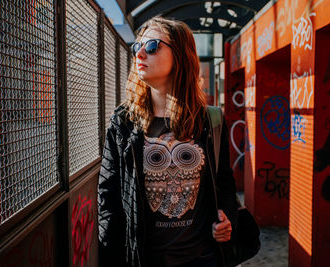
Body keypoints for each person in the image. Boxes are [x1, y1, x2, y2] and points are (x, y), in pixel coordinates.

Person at [98, 16, 238, 267]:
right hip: (144, 259)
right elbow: (108, 199)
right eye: (137, 46)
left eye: (151, 46)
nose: (140, 53)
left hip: (202, 258)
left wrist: (228, 220)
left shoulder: (209, 120)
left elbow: (224, 183)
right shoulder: (123, 122)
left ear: (180, 55)